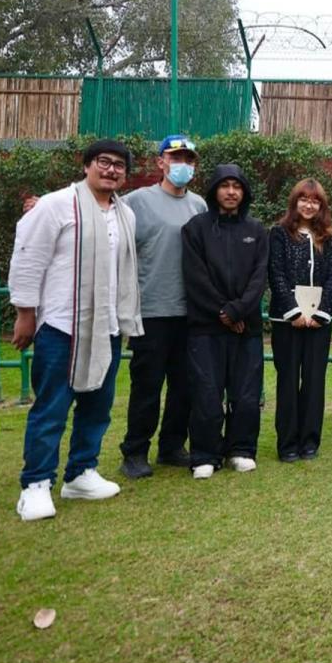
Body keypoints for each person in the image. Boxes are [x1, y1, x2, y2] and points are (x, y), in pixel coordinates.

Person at [10, 140, 143, 520]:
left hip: (107, 326)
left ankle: (81, 472)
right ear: (86, 166)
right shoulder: (57, 204)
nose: (111, 170)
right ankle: (36, 484)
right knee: (52, 406)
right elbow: (28, 258)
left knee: (97, 405)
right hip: (61, 325)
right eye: (104, 162)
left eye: (119, 165)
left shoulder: (124, 213)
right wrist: (25, 313)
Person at [117, 134, 207, 479]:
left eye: (188, 159)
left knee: (184, 386)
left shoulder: (199, 205)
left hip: (190, 312)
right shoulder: (136, 201)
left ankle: (172, 446)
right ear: (161, 162)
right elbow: (101, 215)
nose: (183, 165)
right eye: (176, 158)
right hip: (150, 310)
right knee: (147, 386)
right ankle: (135, 451)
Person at [181, 164, 268, 479]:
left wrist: (238, 311)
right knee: (206, 392)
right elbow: (195, 277)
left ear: (244, 192)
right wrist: (224, 312)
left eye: (237, 186)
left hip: (247, 328)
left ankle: (241, 449)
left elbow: (259, 277)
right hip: (205, 327)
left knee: (245, 393)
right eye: (225, 186)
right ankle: (205, 454)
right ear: (214, 190)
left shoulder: (257, 230)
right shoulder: (195, 228)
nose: (231, 192)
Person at [268, 178, 332, 462]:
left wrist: (321, 312)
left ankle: (310, 441)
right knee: (287, 380)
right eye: (304, 199)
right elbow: (276, 273)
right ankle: (287, 444)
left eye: (315, 201)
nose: (309, 205)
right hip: (287, 322)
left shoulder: (328, 238)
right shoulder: (279, 233)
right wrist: (294, 312)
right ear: (294, 201)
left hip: (318, 323)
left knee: (314, 381)